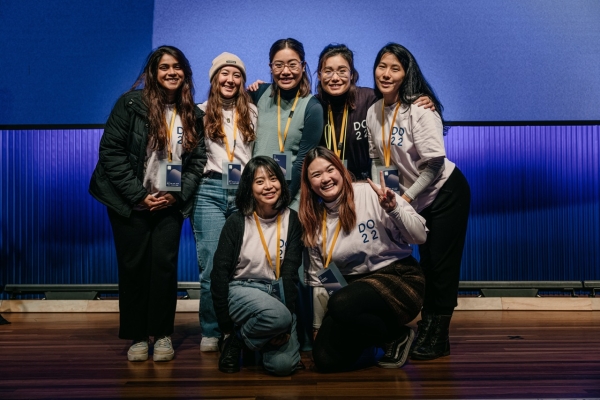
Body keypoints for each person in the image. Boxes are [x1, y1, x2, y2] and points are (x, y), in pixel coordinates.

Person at [89, 45, 206, 362]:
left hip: (168, 203)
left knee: (163, 269)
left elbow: (195, 164)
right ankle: (138, 337)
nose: (172, 72)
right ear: (153, 73)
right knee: (133, 269)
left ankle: (163, 334)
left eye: (177, 66)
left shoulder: (192, 114)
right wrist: (138, 196)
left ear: (185, 73)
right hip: (129, 203)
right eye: (164, 67)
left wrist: (175, 194)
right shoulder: (129, 105)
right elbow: (111, 153)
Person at [366, 43, 471, 360]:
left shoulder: (420, 110)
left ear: (406, 74)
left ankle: (438, 336)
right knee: (426, 266)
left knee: (441, 267)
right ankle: (426, 328)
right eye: (382, 66)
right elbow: (377, 157)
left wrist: (405, 200)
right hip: (411, 199)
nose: (386, 73)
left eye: (395, 68)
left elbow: (435, 164)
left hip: (444, 193)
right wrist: (384, 194)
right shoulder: (374, 111)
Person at [299, 147, 427, 372]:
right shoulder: (314, 221)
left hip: (399, 277)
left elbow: (420, 236)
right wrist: (319, 326)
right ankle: (373, 337)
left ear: (341, 170)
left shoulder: (370, 193)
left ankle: (396, 336)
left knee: (340, 302)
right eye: (316, 175)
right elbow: (323, 280)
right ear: (309, 184)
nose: (326, 178)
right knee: (325, 359)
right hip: (353, 292)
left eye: (330, 170)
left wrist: (394, 209)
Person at [210, 156, 303, 376]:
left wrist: (286, 318)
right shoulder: (237, 221)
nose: (269, 186)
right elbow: (219, 274)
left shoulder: (293, 220)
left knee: (283, 367)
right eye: (259, 181)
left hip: (277, 294)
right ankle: (236, 339)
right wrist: (224, 326)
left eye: (273, 179)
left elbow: (290, 273)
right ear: (249, 188)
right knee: (278, 317)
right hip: (242, 290)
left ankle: (246, 340)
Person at [191, 53, 258, 352]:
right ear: (214, 78)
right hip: (209, 191)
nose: (230, 79)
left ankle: (238, 327)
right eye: (224, 73)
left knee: (244, 264)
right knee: (211, 265)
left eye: (236, 75)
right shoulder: (197, 112)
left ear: (243, 81)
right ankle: (211, 329)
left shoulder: (255, 113)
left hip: (245, 191)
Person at [315, 43, 435, 181]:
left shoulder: (371, 100)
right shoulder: (313, 107)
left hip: (368, 183)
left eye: (342, 71)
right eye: (328, 71)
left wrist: (420, 99)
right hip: (329, 184)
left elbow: (397, 98)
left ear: (352, 74)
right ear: (319, 75)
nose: (335, 77)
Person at [249, 38, 323, 210]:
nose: (285, 71)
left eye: (292, 64)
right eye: (278, 65)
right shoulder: (258, 93)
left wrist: (282, 200)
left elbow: (303, 161)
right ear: (270, 67)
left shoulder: (312, 107)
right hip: (256, 195)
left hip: (290, 199)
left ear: (303, 66)